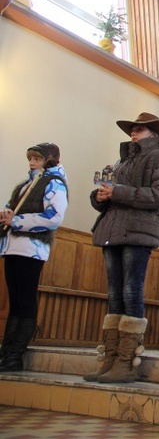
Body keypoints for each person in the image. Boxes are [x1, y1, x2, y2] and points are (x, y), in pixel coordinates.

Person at [85, 112, 159, 383]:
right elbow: (111, 192)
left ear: (154, 134)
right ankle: (110, 357)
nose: (133, 134)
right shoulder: (122, 160)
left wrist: (118, 192)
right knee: (114, 294)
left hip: (138, 231)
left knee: (131, 291)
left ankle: (126, 362)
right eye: (133, 130)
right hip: (113, 229)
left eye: (140, 130)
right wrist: (100, 196)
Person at [0, 143, 68, 372]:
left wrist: (17, 222)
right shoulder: (27, 184)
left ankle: (16, 353)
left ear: (49, 160)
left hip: (32, 248)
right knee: (15, 301)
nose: (32, 163)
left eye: (37, 159)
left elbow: (53, 217)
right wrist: (8, 214)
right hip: (13, 246)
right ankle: (7, 349)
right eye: (30, 158)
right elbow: (15, 208)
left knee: (25, 300)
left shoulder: (54, 184)